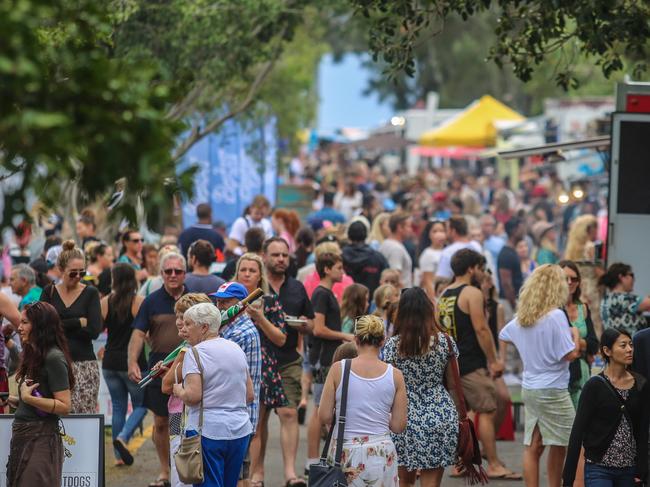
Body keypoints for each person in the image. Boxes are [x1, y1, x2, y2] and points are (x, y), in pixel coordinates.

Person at [498, 264, 581, 487]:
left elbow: (503, 334)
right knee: (572, 441)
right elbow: (570, 354)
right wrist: (575, 334)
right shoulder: (555, 316)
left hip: (531, 387)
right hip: (553, 387)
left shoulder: (522, 318)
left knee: (534, 444)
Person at [437, 249, 515, 480]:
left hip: (452, 364)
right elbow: (481, 329)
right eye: (480, 268)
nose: (482, 272)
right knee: (488, 411)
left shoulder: (444, 293)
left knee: (468, 414)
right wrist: (493, 360)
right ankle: (493, 464)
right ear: (471, 268)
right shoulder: (472, 292)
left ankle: (463, 462)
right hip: (471, 362)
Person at [319, 314, 407, 487]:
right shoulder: (395, 375)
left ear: (355, 339)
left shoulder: (339, 369)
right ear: (383, 341)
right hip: (381, 451)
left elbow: (324, 416)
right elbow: (398, 426)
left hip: (344, 450)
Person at [172, 303, 254, 487]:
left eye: (188, 324)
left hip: (208, 430)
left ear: (204, 327)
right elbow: (249, 395)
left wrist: (178, 390)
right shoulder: (236, 349)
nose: (183, 329)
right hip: (239, 429)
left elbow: (193, 396)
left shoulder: (195, 353)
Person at [383, 288, 459, 486]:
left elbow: (388, 385)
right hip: (440, 414)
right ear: (428, 310)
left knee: (403, 482)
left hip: (403, 417)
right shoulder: (445, 342)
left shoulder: (393, 345)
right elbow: (453, 383)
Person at [128, 252, 188, 487]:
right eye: (168, 271)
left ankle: (183, 468)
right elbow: (138, 333)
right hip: (160, 369)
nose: (173, 275)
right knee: (162, 421)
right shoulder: (151, 301)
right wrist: (132, 361)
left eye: (178, 271)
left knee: (184, 421)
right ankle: (166, 470)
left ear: (185, 273)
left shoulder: (194, 299)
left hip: (188, 367)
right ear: (161, 274)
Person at [234, 253, 293, 486]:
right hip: (231, 367)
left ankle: (253, 475)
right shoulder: (228, 301)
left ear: (260, 276)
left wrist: (260, 317)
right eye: (243, 269)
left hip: (260, 368)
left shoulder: (269, 301)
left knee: (255, 426)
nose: (247, 274)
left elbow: (281, 339)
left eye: (252, 270)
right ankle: (238, 472)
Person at [563, 328, 650, 487]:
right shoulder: (594, 386)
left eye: (631, 344)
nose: (630, 349)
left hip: (628, 470)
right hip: (598, 468)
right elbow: (577, 433)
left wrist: (641, 470)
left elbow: (642, 431)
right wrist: (568, 479)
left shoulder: (641, 385)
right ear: (607, 350)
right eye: (623, 345)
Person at [2, 301, 74, 486]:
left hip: (41, 438)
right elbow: (37, 400)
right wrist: (15, 400)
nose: (19, 328)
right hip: (24, 437)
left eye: (25, 323)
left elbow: (64, 406)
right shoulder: (34, 354)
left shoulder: (53, 357)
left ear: (41, 326)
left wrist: (28, 398)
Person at [263, 237, 315, 486]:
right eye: (275, 255)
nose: (281, 259)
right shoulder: (257, 287)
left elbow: (312, 322)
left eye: (285, 255)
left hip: (288, 360)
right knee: (259, 419)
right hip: (259, 360)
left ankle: (290, 474)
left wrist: (305, 325)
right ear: (265, 257)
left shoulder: (296, 287)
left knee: (289, 413)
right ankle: (256, 474)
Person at [40, 240, 102, 413]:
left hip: (84, 364)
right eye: (73, 273)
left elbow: (94, 331)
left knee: (83, 419)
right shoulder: (49, 291)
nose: (78, 277)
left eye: (82, 273)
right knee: (55, 419)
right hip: (54, 363)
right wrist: (77, 322)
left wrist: (58, 323)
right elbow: (43, 326)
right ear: (60, 270)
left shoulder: (90, 292)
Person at [306, 252, 354, 472]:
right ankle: (312, 459)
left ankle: (317, 459)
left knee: (322, 407)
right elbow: (319, 328)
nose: (341, 271)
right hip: (324, 358)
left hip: (327, 357)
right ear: (326, 269)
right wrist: (345, 336)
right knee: (319, 408)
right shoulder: (321, 294)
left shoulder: (327, 293)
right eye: (338, 267)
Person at [160, 292, 212, 487]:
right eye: (178, 316)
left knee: (181, 469)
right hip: (181, 415)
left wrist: (171, 372)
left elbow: (166, 386)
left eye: (185, 317)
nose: (180, 322)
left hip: (182, 415)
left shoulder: (187, 350)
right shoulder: (192, 345)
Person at [212, 281, 262, 486]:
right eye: (218, 301)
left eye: (226, 302)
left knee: (238, 478)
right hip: (231, 417)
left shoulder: (241, 332)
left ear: (241, 304)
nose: (220, 307)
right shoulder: (228, 328)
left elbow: (218, 371)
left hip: (238, 417)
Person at [101, 263, 147, 466]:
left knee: (119, 406)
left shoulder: (105, 302)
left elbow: (97, 330)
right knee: (143, 404)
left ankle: (118, 456)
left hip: (110, 361)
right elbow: (147, 332)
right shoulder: (139, 302)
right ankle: (124, 437)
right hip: (133, 362)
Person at [559, 260, 598, 407]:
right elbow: (559, 343)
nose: (570, 282)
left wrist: (574, 342)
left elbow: (594, 344)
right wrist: (582, 344)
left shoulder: (583, 308)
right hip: (561, 374)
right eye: (565, 278)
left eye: (574, 278)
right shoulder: (553, 310)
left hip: (582, 373)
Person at [599, 262, 650, 336]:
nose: (633, 279)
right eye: (631, 275)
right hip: (629, 345)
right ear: (621, 277)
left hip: (615, 345)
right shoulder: (625, 299)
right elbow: (648, 304)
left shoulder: (605, 299)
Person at [342, 221, 389, 296]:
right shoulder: (377, 257)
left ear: (348, 235)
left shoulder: (339, 257)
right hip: (371, 300)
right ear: (366, 235)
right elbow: (387, 280)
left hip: (345, 300)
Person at [435, 216, 482, 282]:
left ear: (453, 231)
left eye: (447, 230)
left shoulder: (448, 252)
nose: (445, 233)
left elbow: (442, 280)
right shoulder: (476, 245)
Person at [497, 217, 525, 318]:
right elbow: (506, 283)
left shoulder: (512, 252)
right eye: (521, 228)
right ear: (514, 231)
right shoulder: (506, 254)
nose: (523, 231)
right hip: (508, 303)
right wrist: (515, 305)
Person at [379, 212, 414, 288]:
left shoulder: (386, 243)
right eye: (409, 226)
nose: (411, 230)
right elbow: (394, 278)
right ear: (399, 228)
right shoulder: (396, 249)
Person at [418, 220, 447, 301]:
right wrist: (434, 301)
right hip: (436, 297)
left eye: (442, 231)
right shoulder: (428, 254)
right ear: (429, 234)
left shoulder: (448, 251)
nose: (439, 234)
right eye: (435, 231)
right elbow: (428, 281)